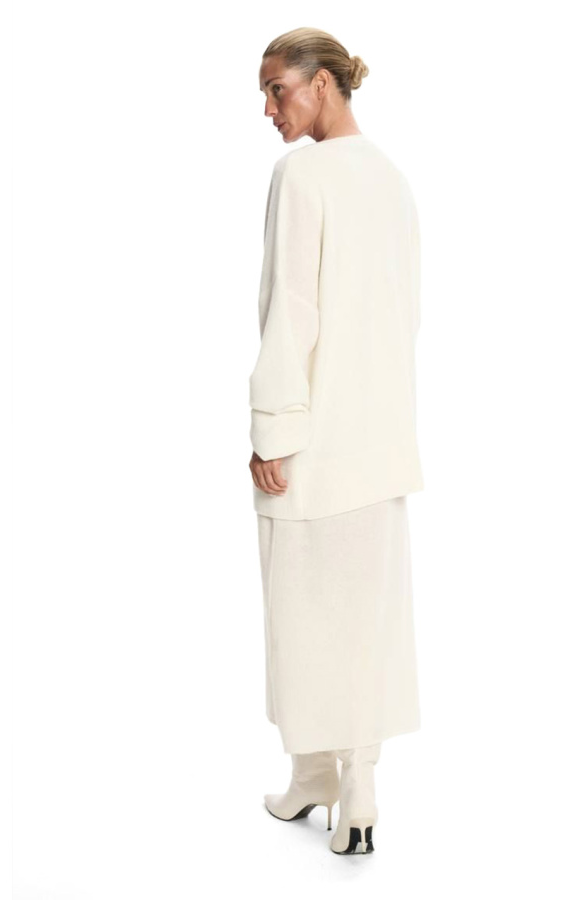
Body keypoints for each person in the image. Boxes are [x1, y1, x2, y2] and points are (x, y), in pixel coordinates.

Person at [249, 27, 425, 855]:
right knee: (365, 618)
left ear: (321, 83)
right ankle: (346, 784)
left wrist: (273, 429)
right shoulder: (391, 179)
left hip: (315, 441)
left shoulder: (303, 173)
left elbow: (292, 312)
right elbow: (403, 316)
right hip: (380, 441)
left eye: (276, 89)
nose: (268, 108)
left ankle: (325, 773)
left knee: (302, 616)